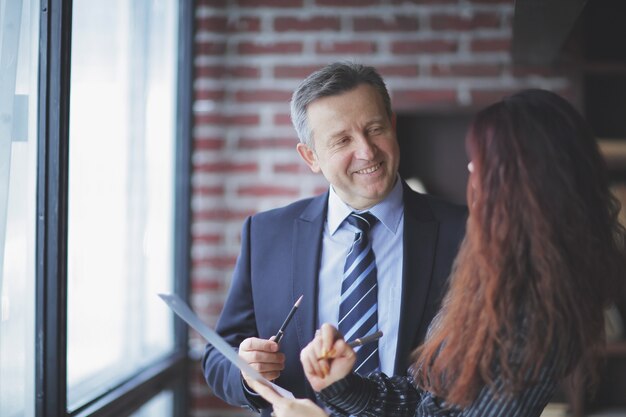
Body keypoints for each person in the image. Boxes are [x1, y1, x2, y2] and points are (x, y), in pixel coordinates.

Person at [246, 88, 626, 416]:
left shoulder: (540, 313)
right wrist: (345, 388)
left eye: (484, 161)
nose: (471, 168)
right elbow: (427, 404)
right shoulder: (496, 278)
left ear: (524, 183)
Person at [202, 62, 467, 416]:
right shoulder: (267, 235)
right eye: (342, 140)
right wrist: (244, 369)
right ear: (310, 156)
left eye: (375, 129)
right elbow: (217, 360)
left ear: (393, 125)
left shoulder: (466, 231)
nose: (367, 151)